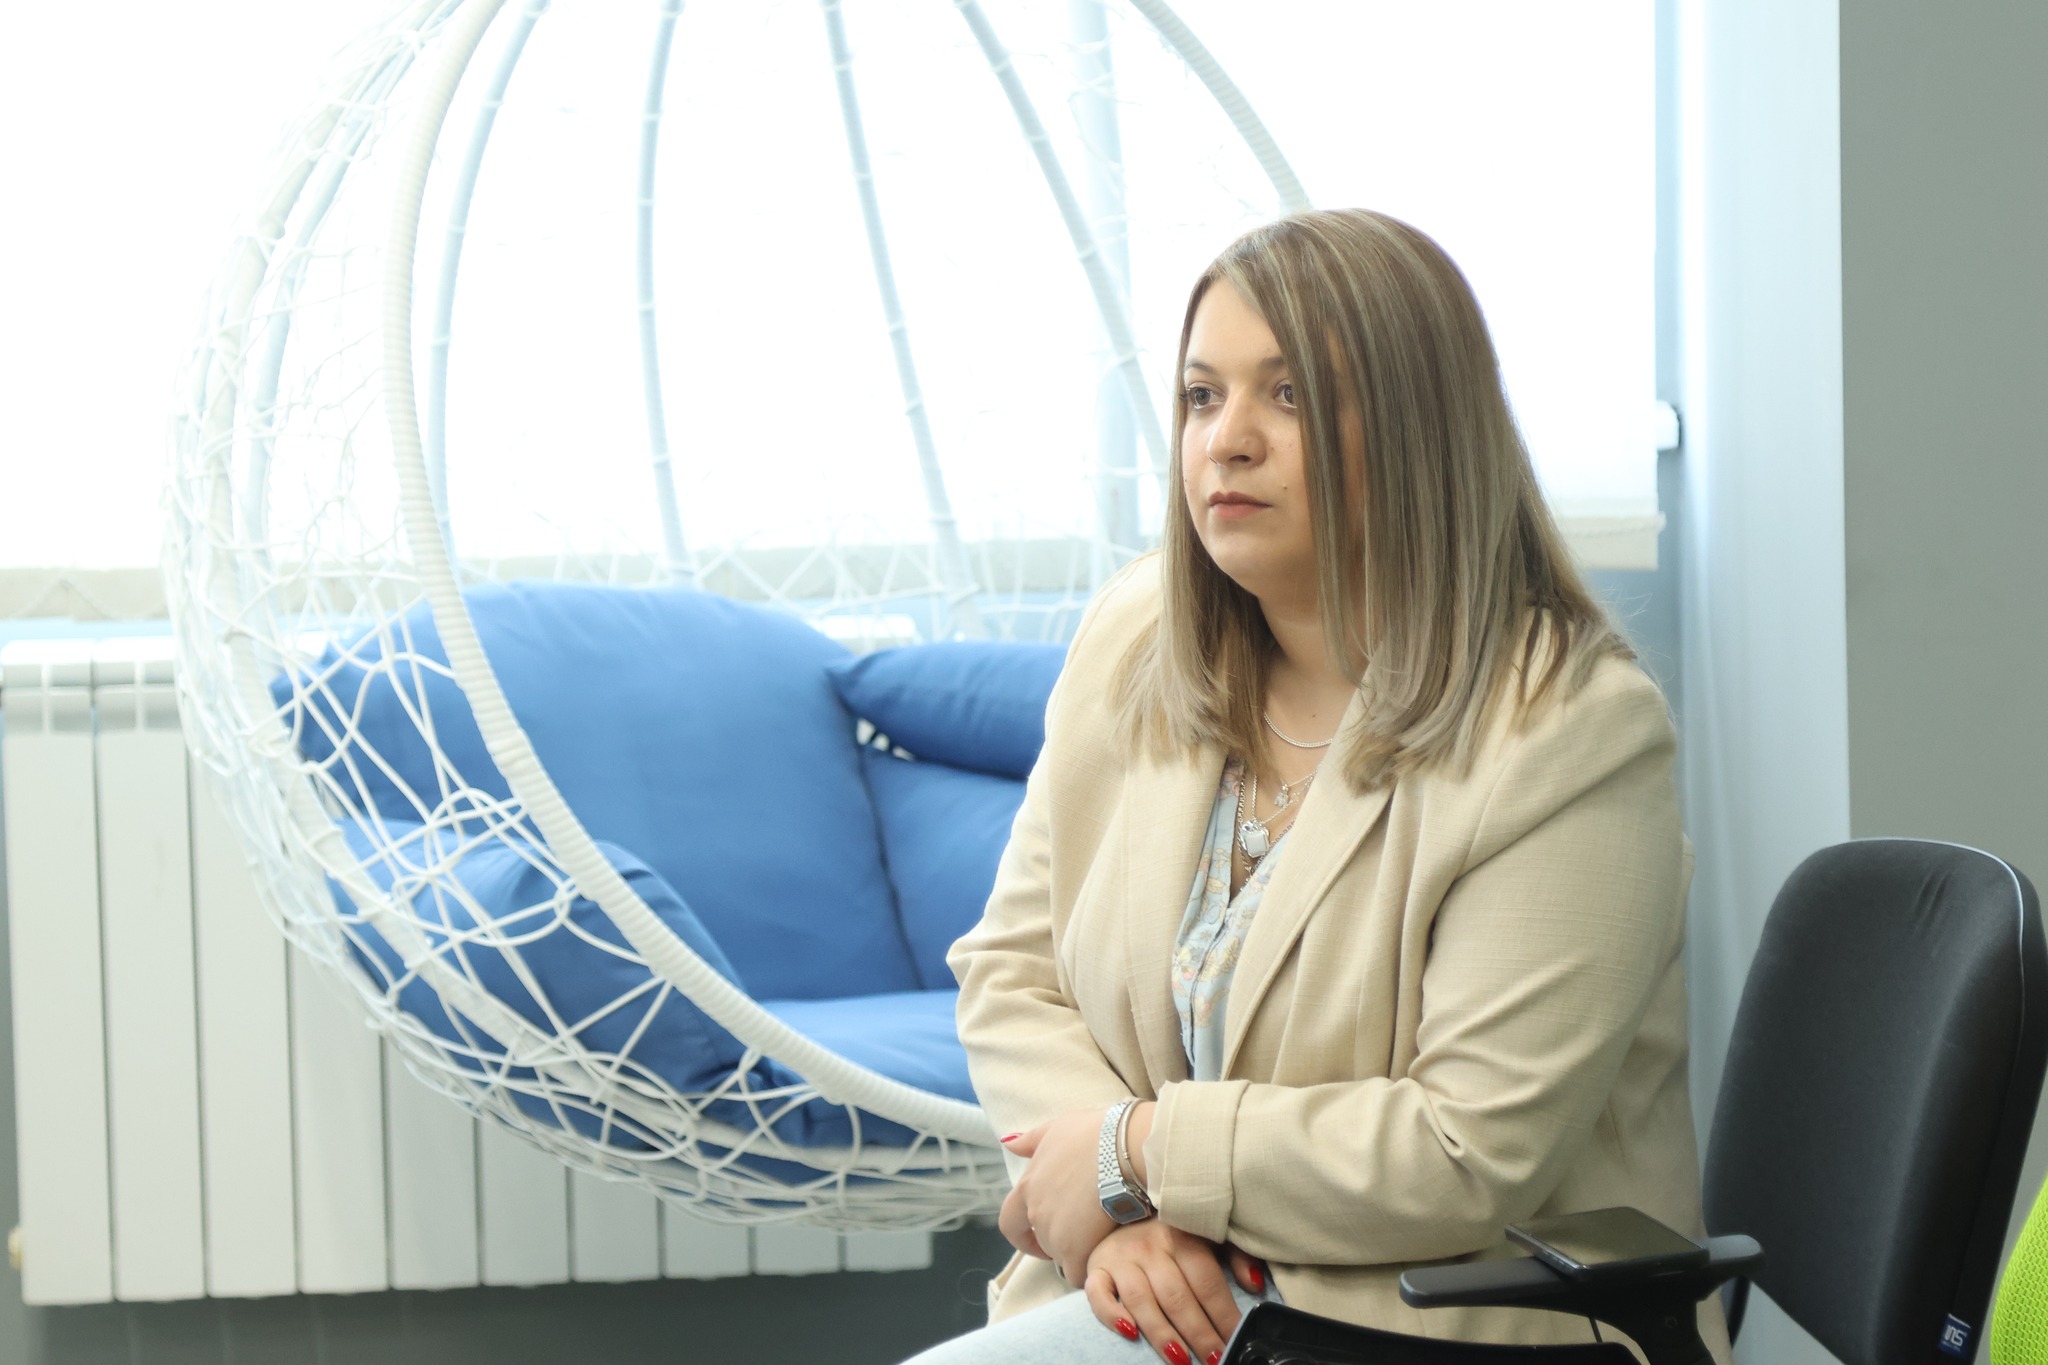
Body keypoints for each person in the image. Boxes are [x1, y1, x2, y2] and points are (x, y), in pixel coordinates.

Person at [905, 209, 1727, 1365]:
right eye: (1201, 396)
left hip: (1431, 1329)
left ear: (1419, 431)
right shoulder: (1132, 638)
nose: (1225, 441)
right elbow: (1012, 972)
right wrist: (1118, 1220)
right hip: (1165, 1293)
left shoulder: (1569, 729)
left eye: (1287, 396)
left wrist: (1132, 1157)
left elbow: (1460, 1154)